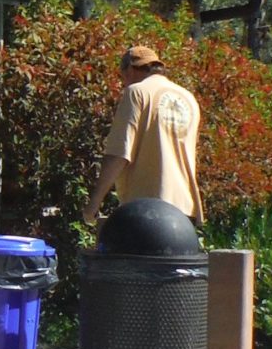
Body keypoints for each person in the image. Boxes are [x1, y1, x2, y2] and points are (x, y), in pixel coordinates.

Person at [86, 42, 204, 225]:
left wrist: (93, 205)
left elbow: (119, 154)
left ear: (130, 70)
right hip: (184, 214)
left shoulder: (136, 93)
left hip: (147, 211)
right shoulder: (188, 98)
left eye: (122, 77)